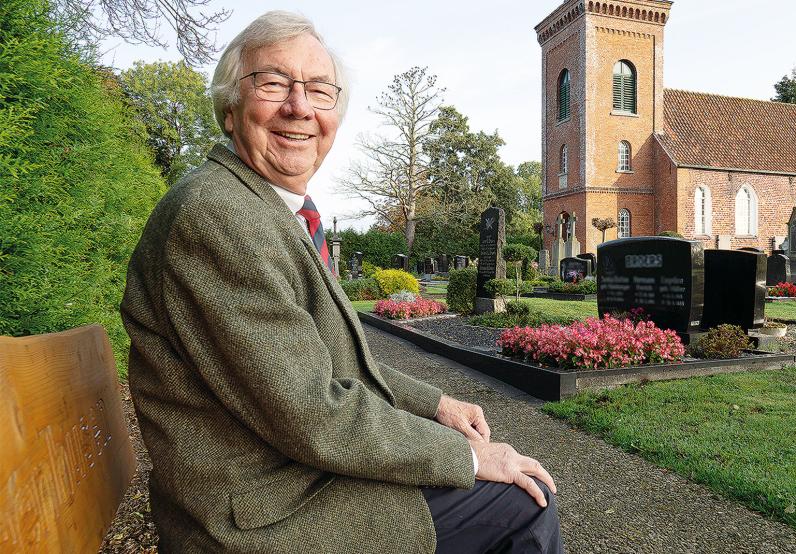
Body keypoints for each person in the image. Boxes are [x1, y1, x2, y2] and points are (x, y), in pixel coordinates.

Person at [120, 10, 563, 554]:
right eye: (274, 82)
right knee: (521, 502)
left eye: (319, 90)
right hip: (257, 517)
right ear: (230, 108)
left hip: (287, 479)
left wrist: (437, 405)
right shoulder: (218, 215)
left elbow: (331, 366)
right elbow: (313, 414)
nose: (300, 107)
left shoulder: (263, 207)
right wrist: (468, 457)